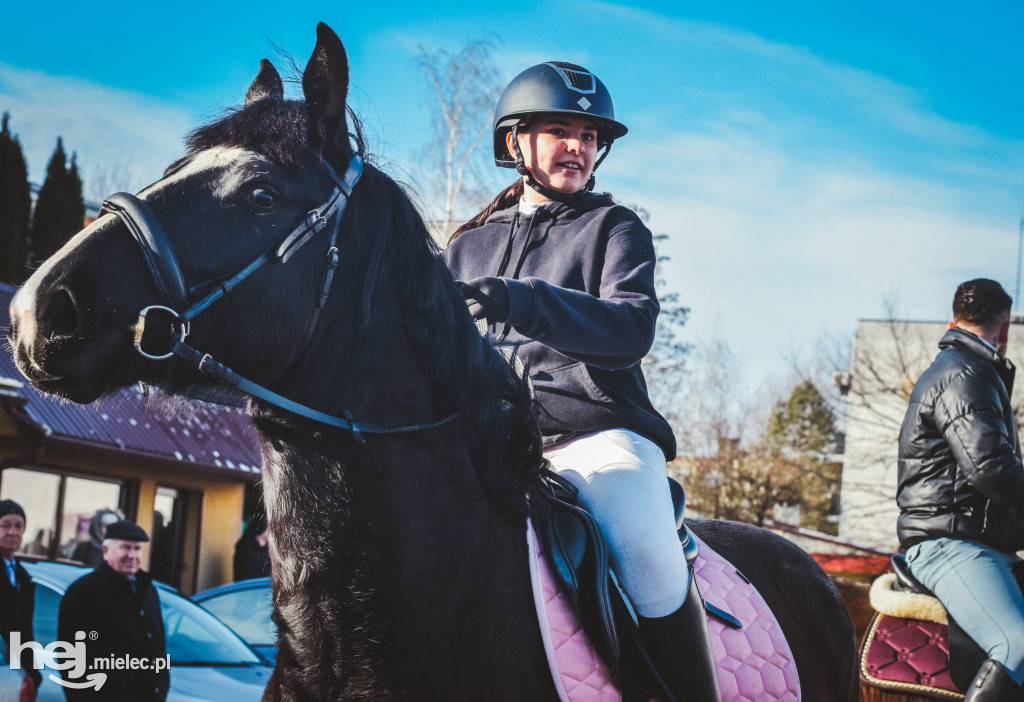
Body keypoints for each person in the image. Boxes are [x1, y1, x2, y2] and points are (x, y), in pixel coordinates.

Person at [442, 61, 718, 700]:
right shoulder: (464, 250)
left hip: (596, 440)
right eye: (562, 130)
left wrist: (522, 300)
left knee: (647, 553)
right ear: (516, 142)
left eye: (590, 136)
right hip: (487, 446)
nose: (579, 146)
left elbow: (630, 331)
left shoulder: (615, 229)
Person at [898, 278, 1024, 700]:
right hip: (951, 545)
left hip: (980, 541)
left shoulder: (970, 371)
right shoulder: (963, 373)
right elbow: (991, 468)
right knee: (1018, 645)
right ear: (1003, 327)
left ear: (954, 319)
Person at [58, 520, 168, 701]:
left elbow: (157, 645)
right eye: (125, 547)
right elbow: (72, 659)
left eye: (137, 548)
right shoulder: (84, 592)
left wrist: (161, 686)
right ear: (106, 551)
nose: (132, 555)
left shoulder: (148, 590)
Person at [0, 499, 41, 698]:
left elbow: (23, 628)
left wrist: (31, 670)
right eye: (5, 525)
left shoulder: (22, 576)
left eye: (19, 526)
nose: (12, 532)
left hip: (10, 673)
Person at [233, 513, 270, 581]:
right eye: (270, 529)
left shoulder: (268, 551)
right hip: (249, 588)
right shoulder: (244, 549)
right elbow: (244, 578)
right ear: (262, 528)